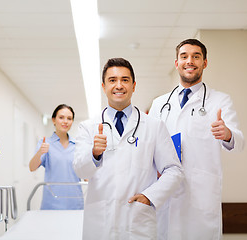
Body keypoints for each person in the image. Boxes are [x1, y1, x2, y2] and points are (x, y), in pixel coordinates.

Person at [73, 57, 184, 239]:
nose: (119, 85)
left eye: (125, 80)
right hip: (101, 221)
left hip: (137, 220)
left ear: (133, 85)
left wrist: (150, 196)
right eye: (112, 80)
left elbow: (174, 170)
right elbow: (79, 169)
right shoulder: (88, 127)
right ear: (103, 86)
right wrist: (94, 154)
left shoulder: (154, 126)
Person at [149, 39, 245, 240]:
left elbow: (239, 142)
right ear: (176, 63)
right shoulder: (159, 104)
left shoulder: (220, 100)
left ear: (205, 63)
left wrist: (227, 134)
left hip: (201, 197)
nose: (189, 61)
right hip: (166, 194)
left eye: (196, 56)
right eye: (184, 56)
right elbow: (150, 147)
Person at [29, 104, 84, 210]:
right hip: (52, 203)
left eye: (69, 118)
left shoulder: (77, 145)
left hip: (75, 202)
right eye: (61, 117)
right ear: (54, 120)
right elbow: (32, 167)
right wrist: (40, 152)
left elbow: (85, 174)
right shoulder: (45, 143)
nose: (65, 121)